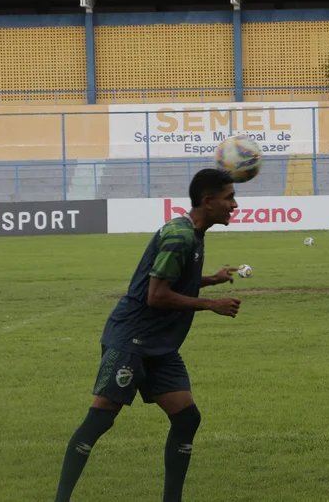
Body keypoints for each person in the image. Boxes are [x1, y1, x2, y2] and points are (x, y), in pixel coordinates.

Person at [54, 168, 243, 501]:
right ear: (207, 200)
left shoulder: (193, 234)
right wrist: (210, 303)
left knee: (186, 418)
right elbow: (155, 295)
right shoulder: (180, 235)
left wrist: (211, 279)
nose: (234, 204)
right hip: (131, 340)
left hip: (159, 346)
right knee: (100, 420)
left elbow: (171, 281)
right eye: (229, 198)